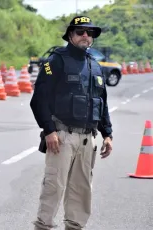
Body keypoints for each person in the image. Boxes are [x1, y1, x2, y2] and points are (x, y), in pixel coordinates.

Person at [30, 16, 113, 230]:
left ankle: (74, 227)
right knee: (54, 187)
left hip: (88, 138)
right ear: (70, 35)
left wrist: (108, 134)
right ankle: (43, 226)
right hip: (62, 136)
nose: (85, 35)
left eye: (89, 32)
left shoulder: (95, 65)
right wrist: (49, 130)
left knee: (81, 189)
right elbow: (39, 99)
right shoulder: (55, 62)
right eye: (80, 31)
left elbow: (101, 102)